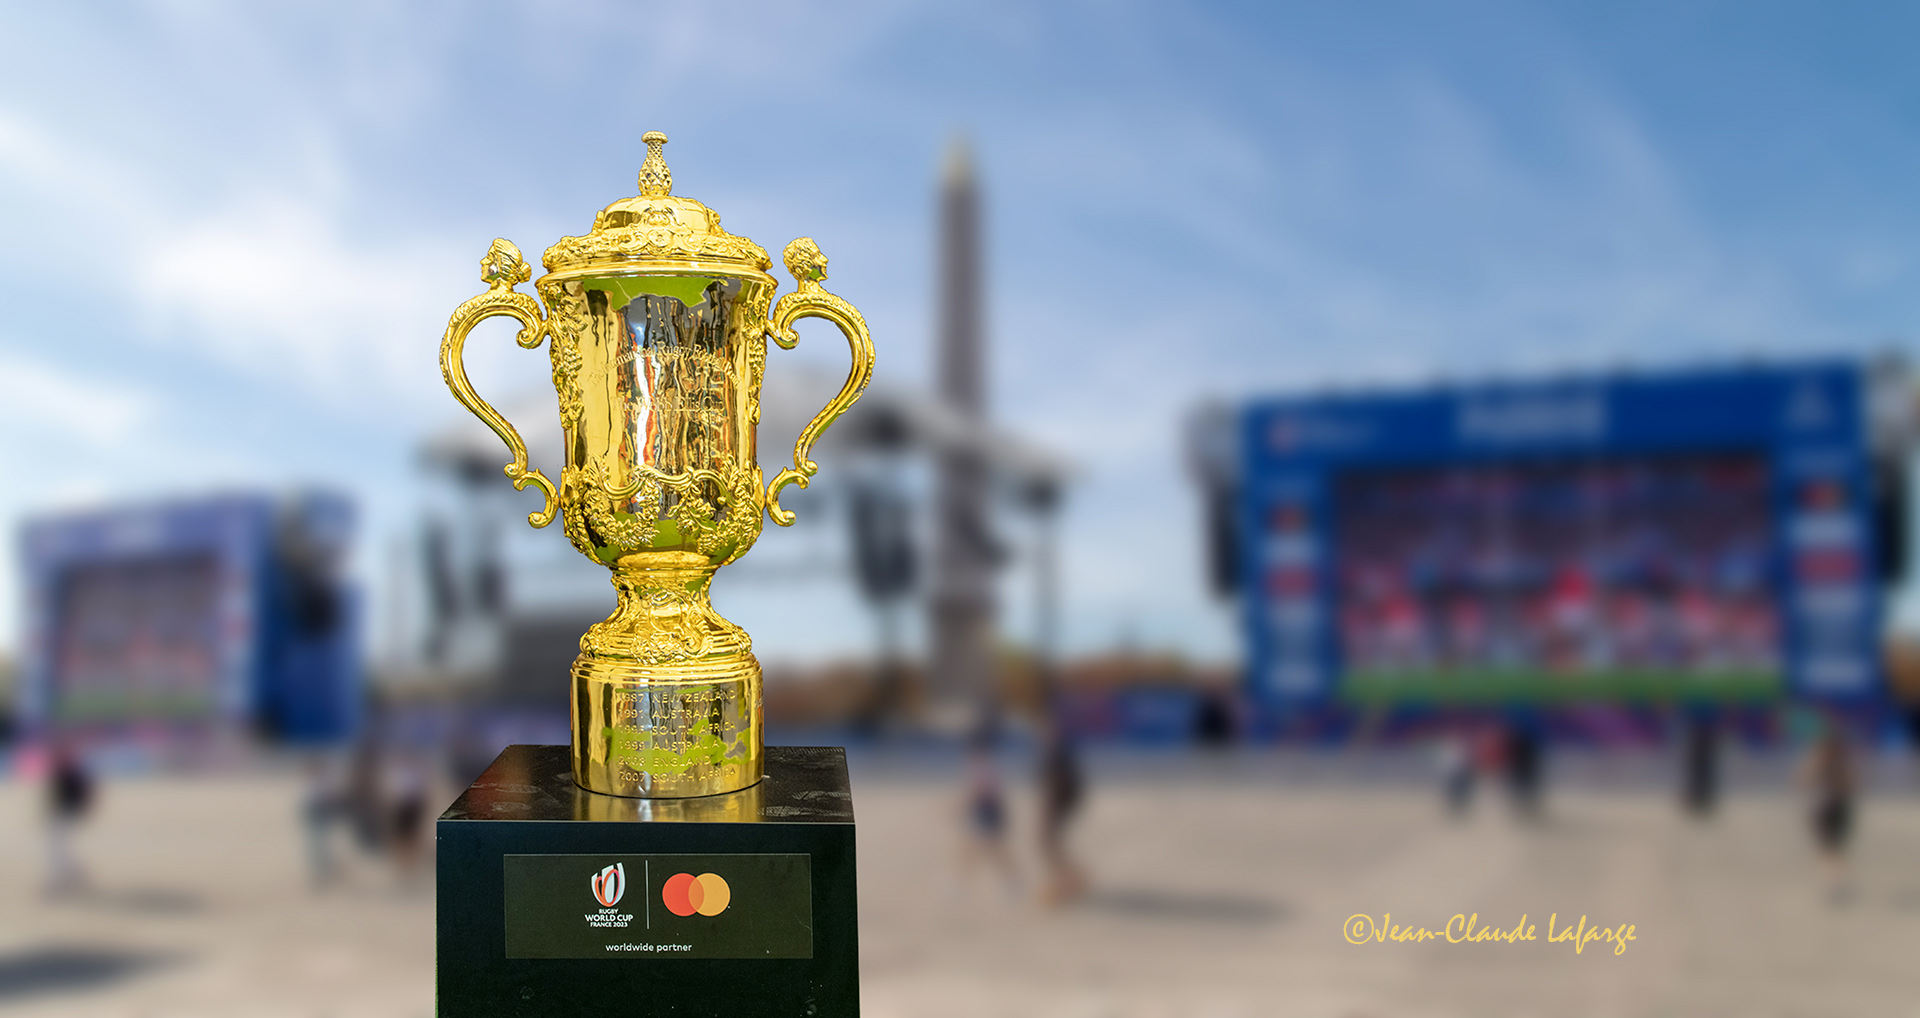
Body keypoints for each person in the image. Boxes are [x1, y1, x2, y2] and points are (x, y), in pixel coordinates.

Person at [956, 722, 1018, 896]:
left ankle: (959, 885)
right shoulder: (983, 764)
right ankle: (960, 884)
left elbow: (980, 791)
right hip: (989, 810)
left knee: (984, 849)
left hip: (988, 811)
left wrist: (957, 807)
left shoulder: (982, 765)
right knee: (980, 849)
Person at [1800, 717, 1857, 904]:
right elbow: (1852, 784)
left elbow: (1804, 780)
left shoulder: (1820, 758)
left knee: (1828, 849)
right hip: (1840, 805)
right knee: (1836, 849)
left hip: (1825, 806)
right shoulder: (1843, 761)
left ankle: (1833, 883)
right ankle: (1836, 882)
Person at [1035, 711, 1086, 906]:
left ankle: (1067, 879)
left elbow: (1056, 782)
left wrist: (1047, 808)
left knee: (1047, 842)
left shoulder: (1055, 752)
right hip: (1063, 801)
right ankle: (1071, 876)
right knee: (1049, 843)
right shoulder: (1057, 750)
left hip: (1059, 802)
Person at [44, 739, 95, 894]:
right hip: (61, 812)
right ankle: (72, 873)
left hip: (66, 812)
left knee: (56, 846)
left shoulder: (72, 772)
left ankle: (66, 876)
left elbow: (84, 794)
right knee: (58, 845)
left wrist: (78, 809)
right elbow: (55, 795)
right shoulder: (64, 771)